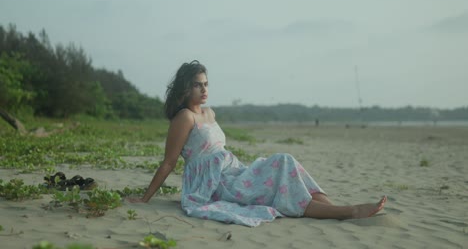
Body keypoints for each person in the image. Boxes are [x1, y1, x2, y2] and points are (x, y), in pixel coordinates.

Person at [127, 60, 387, 227]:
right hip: (214, 184)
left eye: (206, 84)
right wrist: (145, 198)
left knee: (285, 162)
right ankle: (346, 212)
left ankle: (337, 210)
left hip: (234, 171)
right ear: (185, 88)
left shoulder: (210, 113)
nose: (204, 89)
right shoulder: (184, 117)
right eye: (197, 85)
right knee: (281, 168)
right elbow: (169, 162)